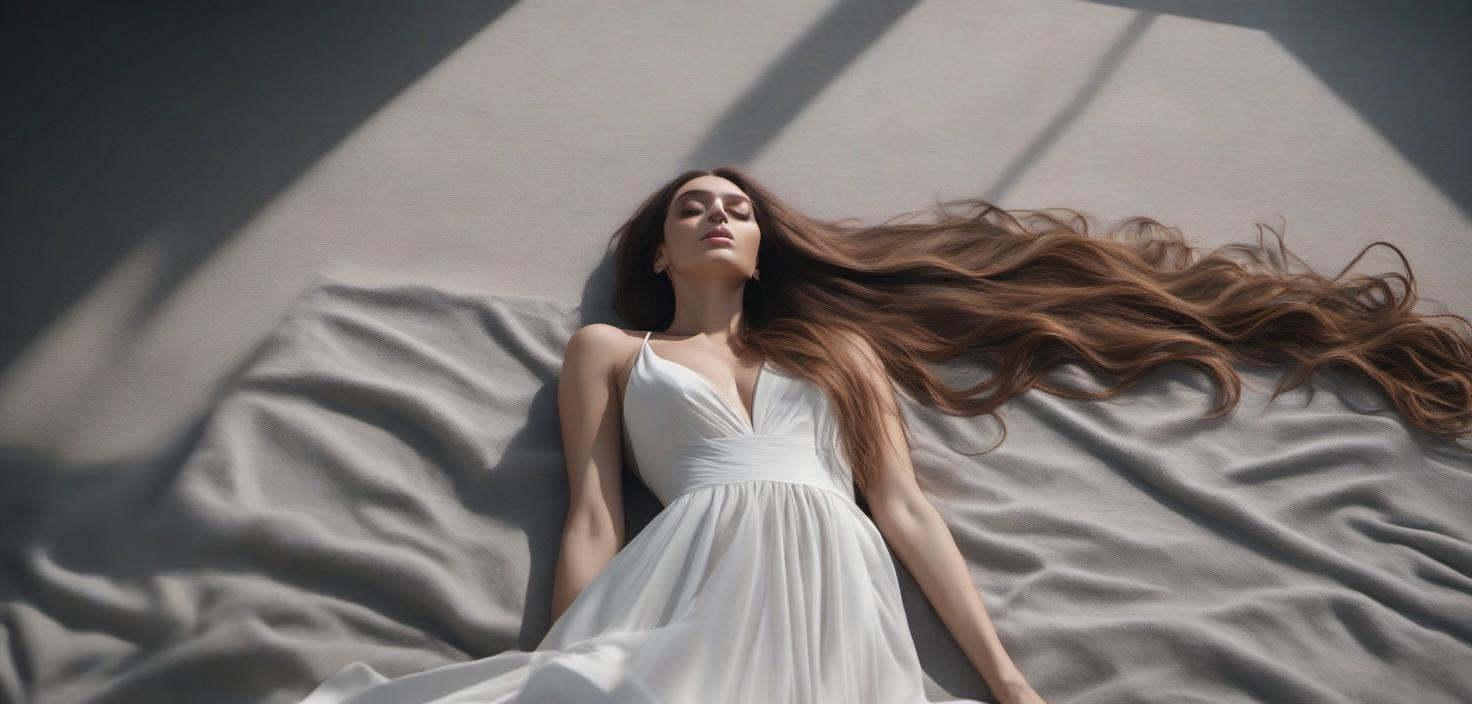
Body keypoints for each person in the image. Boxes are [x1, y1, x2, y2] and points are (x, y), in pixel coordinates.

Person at [297, 167, 1471, 704]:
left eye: (736, 206)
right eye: (689, 209)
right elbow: (596, 510)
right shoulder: (613, 348)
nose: (716, 214)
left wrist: (1005, 675)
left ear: (762, 245)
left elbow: (902, 508)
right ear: (658, 251)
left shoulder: (837, 356)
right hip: (692, 569)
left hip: (830, 577)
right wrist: (557, 651)